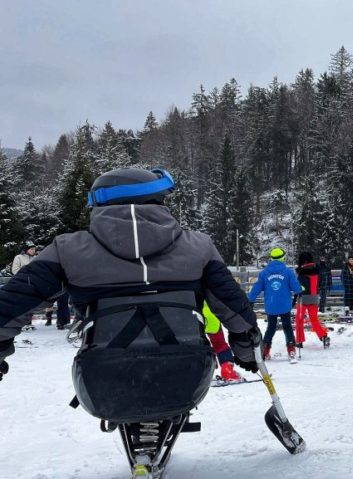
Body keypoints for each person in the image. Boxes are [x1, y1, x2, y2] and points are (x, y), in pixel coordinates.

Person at [0, 167, 261, 476]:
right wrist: (245, 349)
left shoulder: (68, 249)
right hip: (187, 372)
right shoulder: (199, 247)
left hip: (104, 377)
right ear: (157, 201)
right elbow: (235, 307)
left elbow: (12, 303)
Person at [248, 247, 302, 361]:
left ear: (271, 258)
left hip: (271, 305)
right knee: (287, 326)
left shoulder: (264, 273)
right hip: (285, 305)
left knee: (271, 327)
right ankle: (291, 348)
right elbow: (296, 288)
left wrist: (250, 300)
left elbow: (256, 288)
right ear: (283, 258)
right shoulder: (288, 272)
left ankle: (266, 349)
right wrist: (300, 288)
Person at [294, 252, 330, 349]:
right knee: (314, 319)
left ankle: (299, 340)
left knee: (299, 320)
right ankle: (323, 336)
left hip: (303, 298)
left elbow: (299, 287)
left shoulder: (302, 272)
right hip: (314, 297)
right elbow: (321, 283)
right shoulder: (317, 270)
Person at [202, 302, 244, 383]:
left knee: (197, 344)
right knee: (219, 344)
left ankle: (199, 374)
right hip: (210, 315)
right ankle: (227, 371)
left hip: (191, 315)